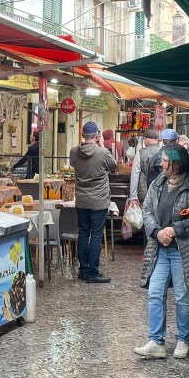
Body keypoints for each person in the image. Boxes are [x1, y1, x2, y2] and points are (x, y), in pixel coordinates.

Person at [134, 146, 189, 359]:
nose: (162, 164)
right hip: (160, 249)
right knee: (155, 293)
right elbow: (147, 210)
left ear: (178, 163)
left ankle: (183, 340)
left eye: (167, 160)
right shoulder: (157, 184)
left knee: (182, 297)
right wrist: (157, 232)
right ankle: (156, 341)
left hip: (183, 251)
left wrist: (176, 230)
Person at [69, 121, 116, 283]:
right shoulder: (102, 152)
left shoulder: (74, 151)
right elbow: (113, 166)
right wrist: (102, 145)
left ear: (82, 135)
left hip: (81, 199)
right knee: (96, 235)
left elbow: (73, 164)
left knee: (83, 233)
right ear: (97, 135)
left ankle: (83, 270)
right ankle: (93, 272)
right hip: (99, 201)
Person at [129, 129, 161, 204]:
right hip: (162, 192)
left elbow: (135, 174)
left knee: (146, 214)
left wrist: (133, 196)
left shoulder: (140, 153)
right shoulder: (165, 151)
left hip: (145, 193)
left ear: (147, 140)